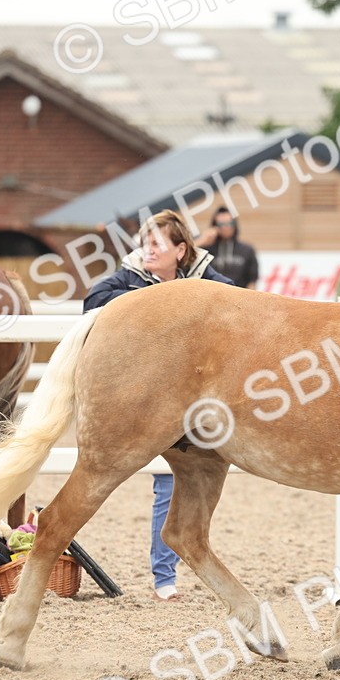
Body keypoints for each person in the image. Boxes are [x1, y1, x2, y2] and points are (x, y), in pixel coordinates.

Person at [84, 209, 234, 601]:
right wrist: (156, 306)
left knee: (179, 485)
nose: (146, 250)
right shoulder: (129, 275)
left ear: (180, 250)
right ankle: (164, 578)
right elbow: (94, 300)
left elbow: (238, 302)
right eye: (144, 243)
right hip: (149, 399)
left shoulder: (208, 278)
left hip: (198, 402)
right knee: (163, 484)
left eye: (156, 244)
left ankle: (166, 578)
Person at [200, 206, 259, 289]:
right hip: (214, 295)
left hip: (239, 296)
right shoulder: (206, 250)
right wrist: (202, 241)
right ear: (215, 226)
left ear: (235, 225)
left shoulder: (247, 250)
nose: (226, 227)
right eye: (221, 224)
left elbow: (252, 281)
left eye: (229, 223)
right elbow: (189, 254)